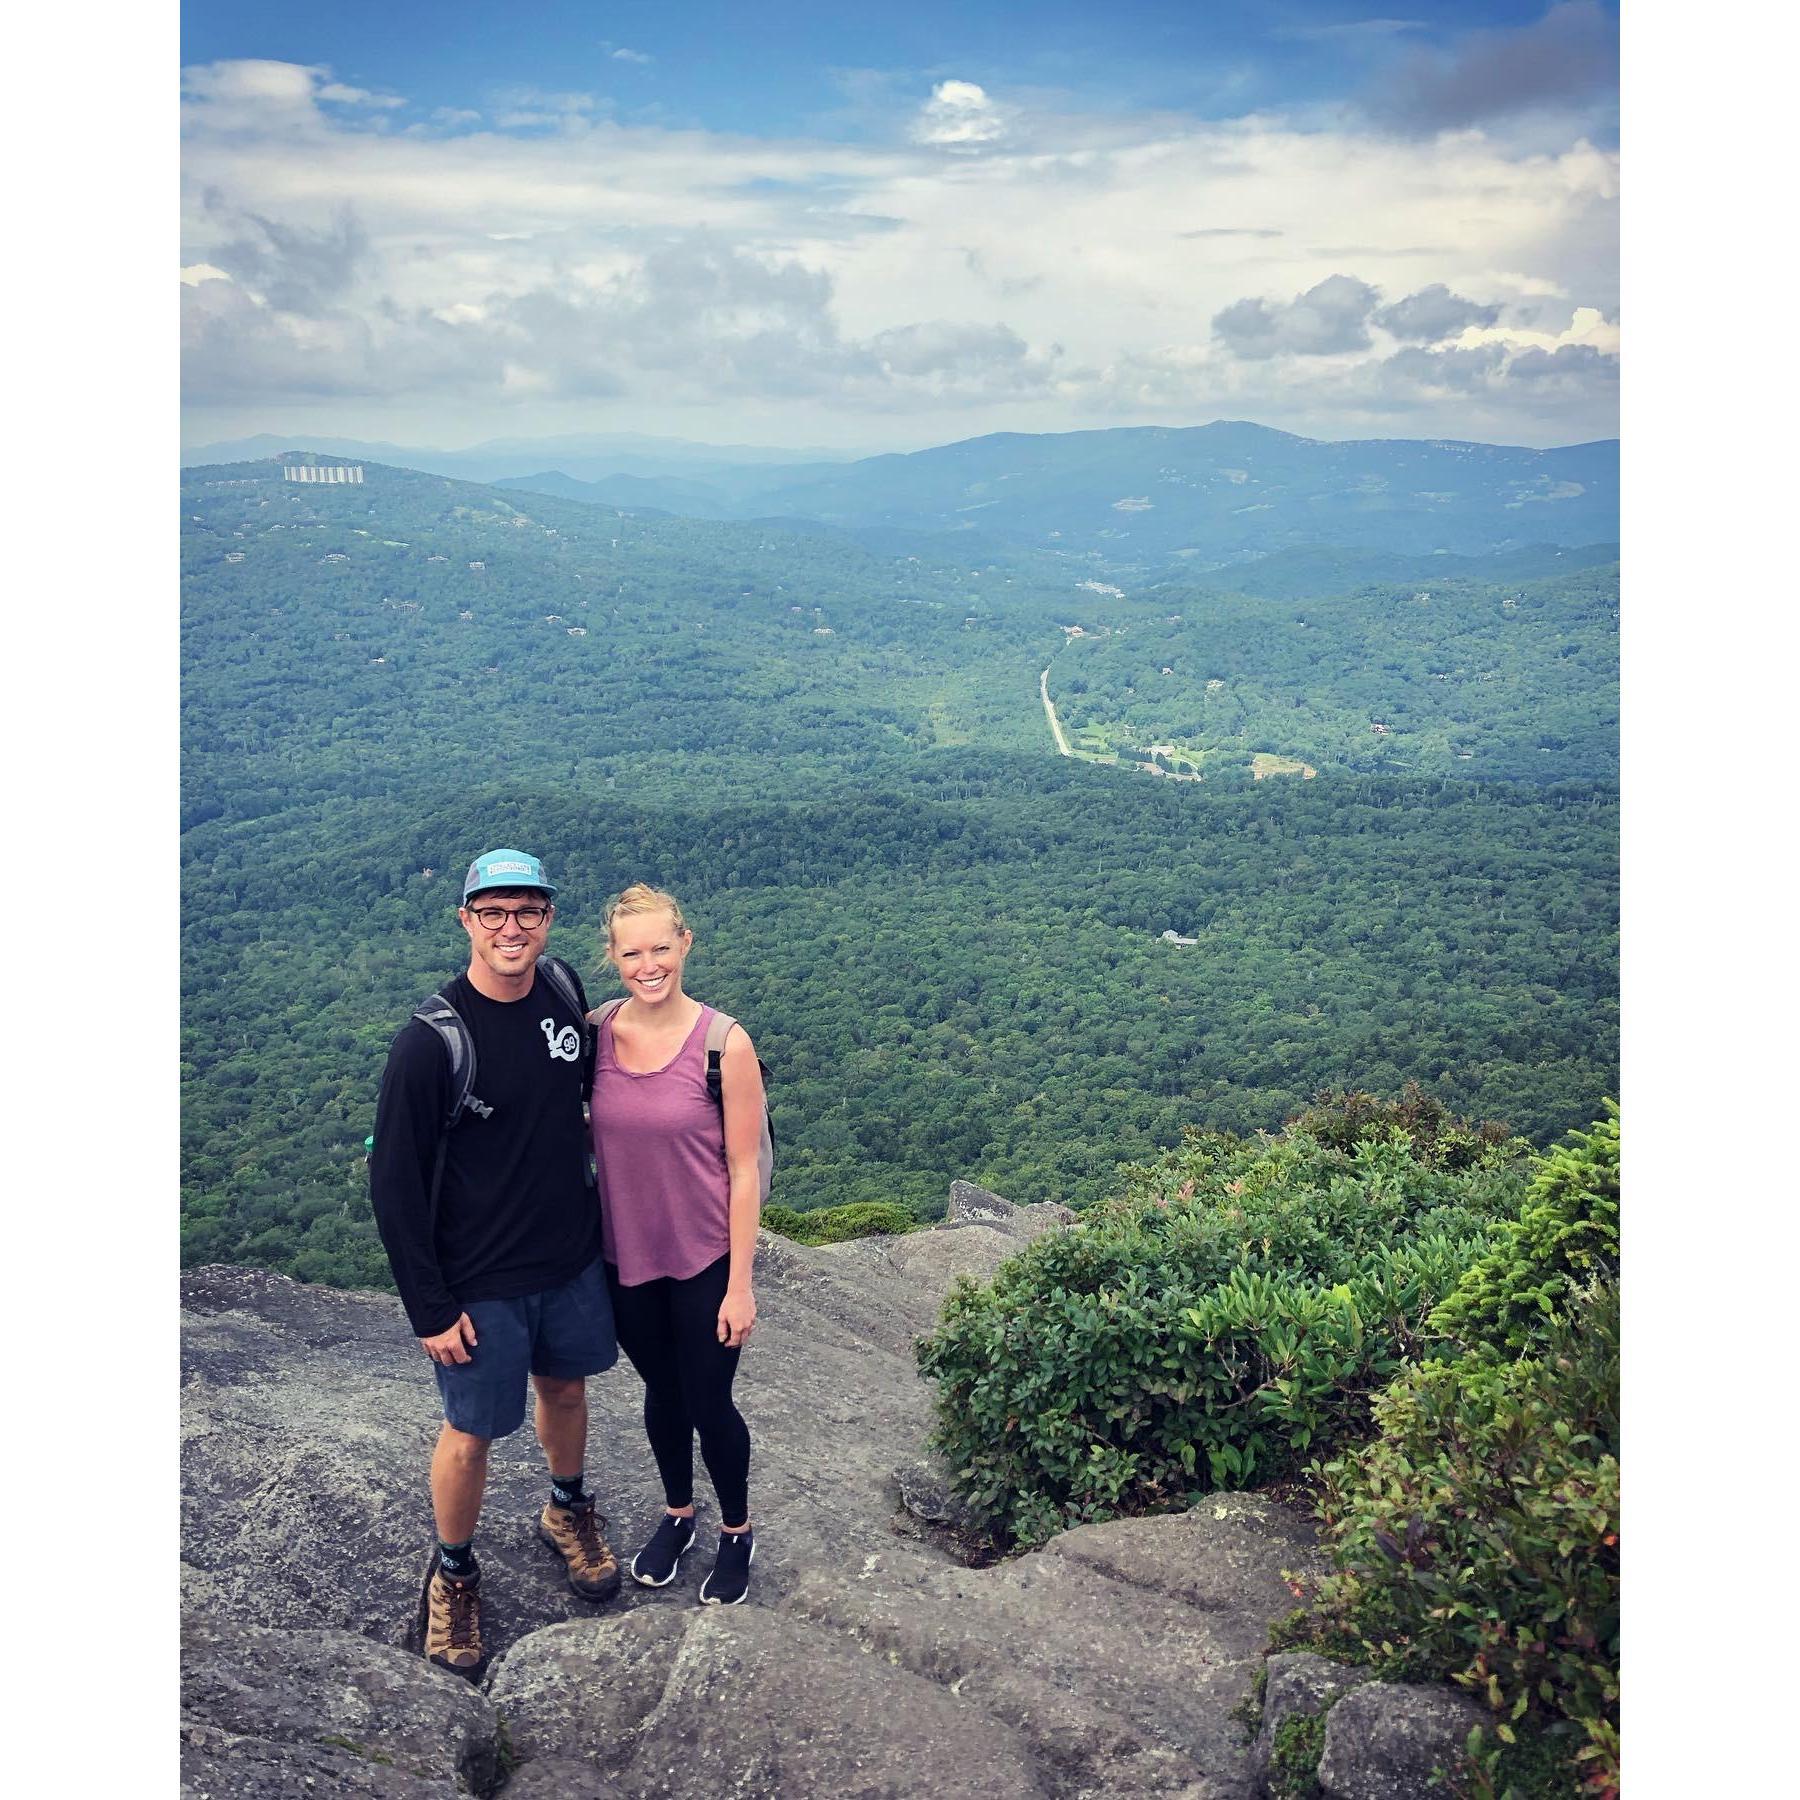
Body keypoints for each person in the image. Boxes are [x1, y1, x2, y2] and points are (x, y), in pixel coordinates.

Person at [370, 847, 621, 1678]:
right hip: (481, 1277)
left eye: (528, 912)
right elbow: (394, 1183)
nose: (512, 928)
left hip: (568, 1255)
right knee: (471, 1432)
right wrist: (430, 1309)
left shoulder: (563, 988)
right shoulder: (431, 1042)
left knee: (567, 1389)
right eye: (494, 913)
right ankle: (453, 1571)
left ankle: (566, 1509)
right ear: (467, 920)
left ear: (548, 919)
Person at [589, 883, 765, 1605]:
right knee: (662, 1393)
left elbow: (745, 1169)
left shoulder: (725, 1043)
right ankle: (677, 1513)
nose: (648, 963)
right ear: (613, 958)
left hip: (703, 1258)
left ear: (685, 944)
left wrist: (741, 1284)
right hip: (623, 1257)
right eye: (633, 952)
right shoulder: (594, 1031)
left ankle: (735, 1530)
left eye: (661, 947)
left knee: (709, 1398)